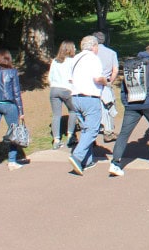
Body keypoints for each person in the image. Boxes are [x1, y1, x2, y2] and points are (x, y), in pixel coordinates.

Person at [108, 45, 149, 175]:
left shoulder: (131, 64)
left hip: (131, 103)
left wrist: (125, 101)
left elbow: (123, 87)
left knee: (124, 133)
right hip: (148, 103)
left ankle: (115, 162)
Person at [68, 35, 109, 175]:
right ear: (93, 46)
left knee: (85, 129)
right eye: (97, 46)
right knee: (92, 129)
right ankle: (78, 156)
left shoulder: (75, 59)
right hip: (89, 97)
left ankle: (88, 159)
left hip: (75, 96)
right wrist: (106, 81)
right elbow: (97, 78)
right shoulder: (93, 59)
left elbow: (70, 78)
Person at [48, 40, 78, 149]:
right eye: (74, 47)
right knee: (73, 110)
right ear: (70, 49)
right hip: (67, 89)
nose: (75, 49)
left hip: (54, 89)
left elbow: (50, 78)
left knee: (56, 114)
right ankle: (70, 135)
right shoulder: (72, 61)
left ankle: (56, 139)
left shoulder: (55, 61)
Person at [93, 31, 120, 142]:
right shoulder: (111, 53)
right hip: (106, 81)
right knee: (108, 106)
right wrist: (110, 81)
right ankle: (108, 131)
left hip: (94, 83)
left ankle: (97, 128)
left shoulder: (92, 54)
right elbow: (115, 70)